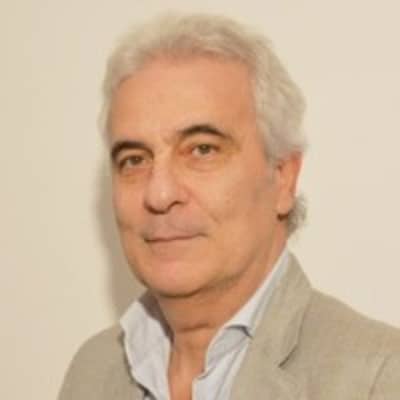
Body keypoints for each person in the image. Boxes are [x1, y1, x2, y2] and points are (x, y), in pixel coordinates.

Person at [58, 13, 400, 400]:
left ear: (283, 177)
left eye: (202, 150)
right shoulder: (92, 372)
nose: (159, 193)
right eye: (134, 159)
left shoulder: (380, 379)